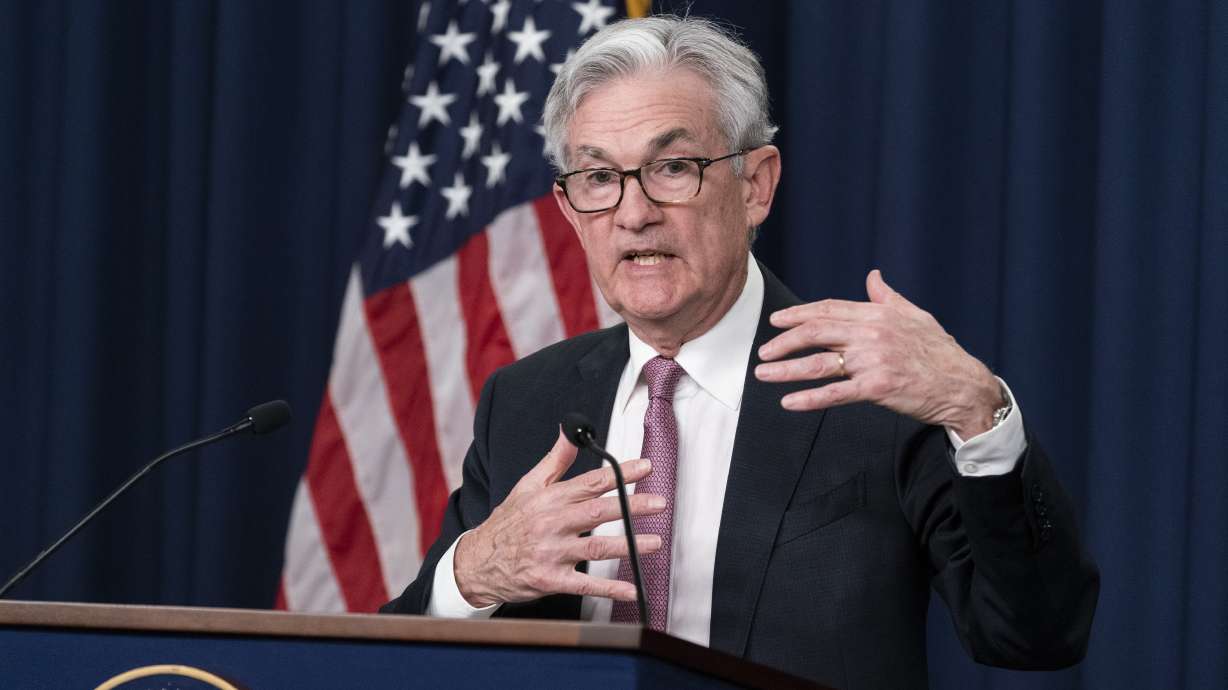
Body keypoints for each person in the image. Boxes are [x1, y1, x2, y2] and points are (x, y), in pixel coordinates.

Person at [381, 15, 1098, 690]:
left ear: (755, 185)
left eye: (673, 167)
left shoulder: (873, 385)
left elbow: (1034, 635)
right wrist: (470, 575)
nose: (633, 213)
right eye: (599, 178)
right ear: (570, 209)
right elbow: (400, 661)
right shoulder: (525, 400)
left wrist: (978, 411)